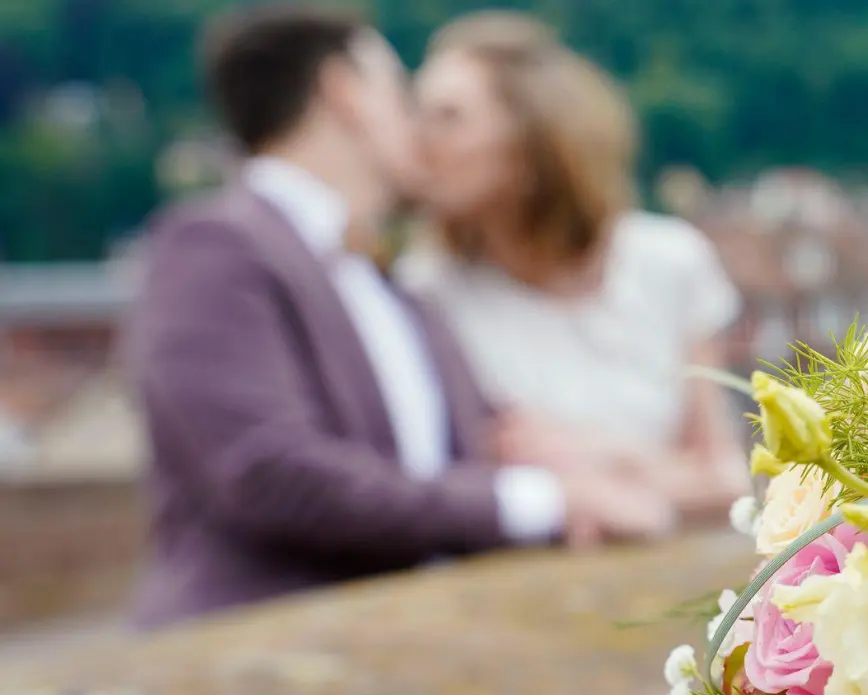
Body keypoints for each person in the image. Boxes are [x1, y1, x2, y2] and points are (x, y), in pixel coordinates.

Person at [124, 5, 671, 628]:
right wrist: (542, 500)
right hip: (253, 664)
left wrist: (591, 467)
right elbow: (269, 472)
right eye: (400, 94)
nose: (416, 128)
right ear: (345, 92)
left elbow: (479, 446)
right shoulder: (213, 242)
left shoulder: (393, 284)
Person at [401, 12, 748, 522]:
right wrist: (655, 478)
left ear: (531, 139)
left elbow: (728, 482)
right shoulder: (427, 289)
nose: (418, 142)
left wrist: (607, 457)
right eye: (417, 115)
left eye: (448, 117)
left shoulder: (671, 262)